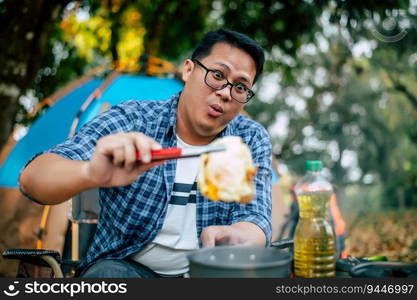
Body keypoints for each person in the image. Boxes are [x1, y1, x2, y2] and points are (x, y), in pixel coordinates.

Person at [19, 29, 273, 278]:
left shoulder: (249, 138)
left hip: (206, 272)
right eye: (218, 74)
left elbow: (255, 217)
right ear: (188, 70)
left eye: (240, 87)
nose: (226, 92)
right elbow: (32, 180)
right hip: (126, 269)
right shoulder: (134, 119)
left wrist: (241, 235)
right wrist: (91, 173)